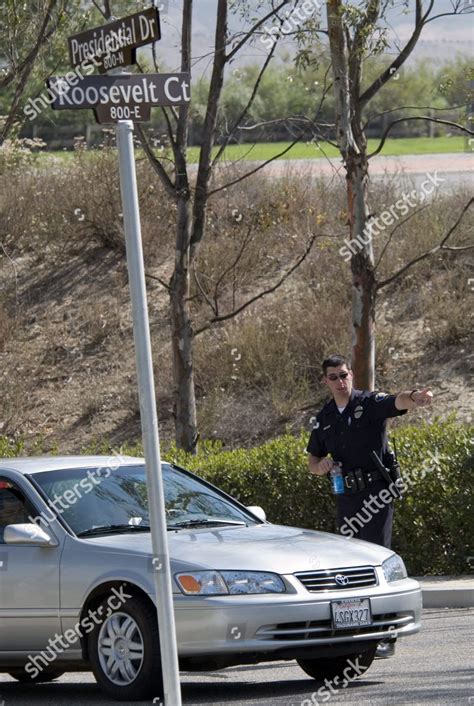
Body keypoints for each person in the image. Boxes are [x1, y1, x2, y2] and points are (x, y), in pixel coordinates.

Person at [307, 354, 433, 658]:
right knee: (351, 566)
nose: (341, 381)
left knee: (377, 559)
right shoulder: (324, 416)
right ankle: (357, 633)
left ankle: (385, 634)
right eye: (334, 377)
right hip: (345, 497)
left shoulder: (368, 403)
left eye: (345, 375)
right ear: (325, 381)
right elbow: (312, 459)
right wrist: (320, 466)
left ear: (352, 375)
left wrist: (415, 397)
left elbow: (396, 401)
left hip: (376, 494)